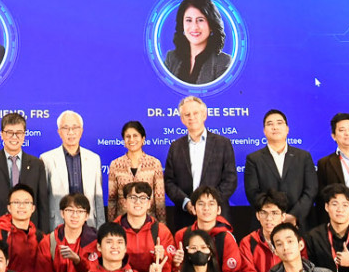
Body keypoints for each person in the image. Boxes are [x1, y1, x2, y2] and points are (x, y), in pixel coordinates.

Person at [163, 96, 237, 230]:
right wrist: (187, 203)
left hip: (216, 216)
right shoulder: (175, 146)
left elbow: (230, 179)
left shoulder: (223, 143)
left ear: (204, 115)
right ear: (182, 119)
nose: (191, 117)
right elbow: (169, 182)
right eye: (187, 114)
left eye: (195, 113)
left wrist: (208, 204)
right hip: (185, 217)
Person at [243, 109, 317, 231]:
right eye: (270, 124)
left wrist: (294, 215)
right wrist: (274, 216)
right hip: (266, 224)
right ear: (264, 131)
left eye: (279, 123)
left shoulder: (303, 156)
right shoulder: (254, 159)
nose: (275, 127)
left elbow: (311, 190)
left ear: (287, 129)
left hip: (298, 223)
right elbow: (252, 192)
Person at [0, 113, 47, 232]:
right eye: (10, 132)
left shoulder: (37, 164)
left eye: (19, 133)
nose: (14, 137)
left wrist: (43, 235)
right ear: (2, 135)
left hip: (29, 232)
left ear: (24, 135)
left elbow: (42, 204)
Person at [40, 192, 102, 272]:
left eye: (80, 211)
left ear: (87, 216)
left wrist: (79, 262)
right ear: (62, 213)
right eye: (69, 210)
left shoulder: (96, 242)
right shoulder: (50, 241)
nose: (75, 215)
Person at [184, 186, 255, 272]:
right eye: (201, 204)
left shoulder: (226, 238)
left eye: (211, 204)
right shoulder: (183, 235)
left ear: (219, 210)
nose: (206, 208)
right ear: (193, 209)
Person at [42, 110, 105, 228]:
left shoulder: (94, 159)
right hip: (58, 224)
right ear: (59, 132)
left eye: (75, 128)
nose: (71, 132)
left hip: (88, 223)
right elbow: (43, 199)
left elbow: (98, 197)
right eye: (65, 128)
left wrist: (101, 228)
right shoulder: (47, 159)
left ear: (81, 131)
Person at [107, 179, 177, 272]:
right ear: (125, 202)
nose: (138, 202)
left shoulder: (161, 231)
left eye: (143, 198)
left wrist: (162, 256)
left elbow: (173, 266)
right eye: (133, 197)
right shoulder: (112, 230)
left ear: (149, 204)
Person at [162, 0, 232, 86]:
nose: (194, 27)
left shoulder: (223, 61)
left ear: (211, 24)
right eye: (189, 20)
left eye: (200, 20)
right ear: (182, 24)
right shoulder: (171, 58)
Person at [105, 121, 166, 223]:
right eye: (128, 136)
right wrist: (112, 225)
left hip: (149, 223)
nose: (131, 139)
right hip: (123, 223)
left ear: (143, 139)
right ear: (124, 140)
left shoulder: (154, 163)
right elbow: (112, 199)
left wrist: (162, 225)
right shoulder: (115, 164)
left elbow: (159, 199)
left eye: (135, 136)